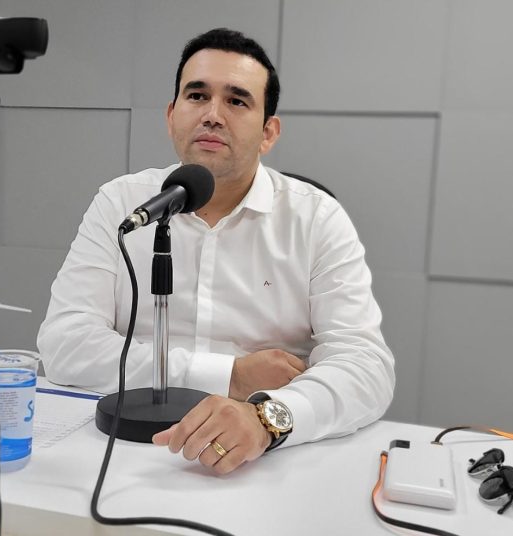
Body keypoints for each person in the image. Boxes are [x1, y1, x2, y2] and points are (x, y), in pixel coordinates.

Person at [37, 28, 395, 475]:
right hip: (117, 450)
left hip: (261, 460)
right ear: (172, 116)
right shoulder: (122, 204)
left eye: (237, 101)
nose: (212, 115)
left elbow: (366, 366)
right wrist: (230, 375)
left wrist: (266, 418)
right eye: (197, 96)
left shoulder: (315, 217)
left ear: (268, 132)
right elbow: (65, 344)